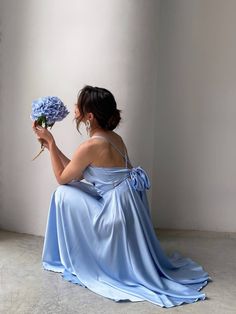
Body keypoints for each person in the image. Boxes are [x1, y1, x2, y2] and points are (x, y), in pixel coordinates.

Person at [32, 85, 212, 308]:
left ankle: (73, 256)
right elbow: (75, 174)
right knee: (70, 189)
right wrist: (53, 146)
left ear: (89, 115)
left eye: (79, 105)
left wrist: (50, 143)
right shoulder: (113, 138)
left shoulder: (90, 145)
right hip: (126, 206)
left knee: (61, 193)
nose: (74, 108)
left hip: (115, 213)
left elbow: (62, 178)